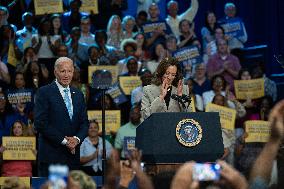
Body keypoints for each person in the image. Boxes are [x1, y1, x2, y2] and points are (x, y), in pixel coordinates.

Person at [34, 57, 88, 176]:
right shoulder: (44, 92)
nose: (66, 75)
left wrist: (76, 139)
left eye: (69, 71)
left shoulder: (78, 94)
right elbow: (40, 123)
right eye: (63, 71)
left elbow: (84, 123)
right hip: (52, 156)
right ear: (55, 72)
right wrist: (65, 141)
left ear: (73, 72)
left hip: (73, 157)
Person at [141, 57, 191, 121]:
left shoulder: (183, 89)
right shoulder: (148, 90)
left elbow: (190, 115)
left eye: (173, 75)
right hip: (157, 128)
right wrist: (161, 97)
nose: (170, 77)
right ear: (160, 73)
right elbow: (145, 115)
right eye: (167, 73)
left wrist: (180, 97)